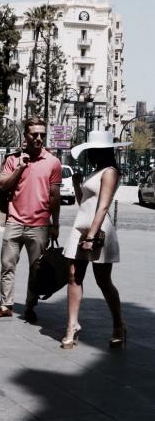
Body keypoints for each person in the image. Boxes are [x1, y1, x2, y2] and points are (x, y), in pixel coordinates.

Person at [0, 116, 62, 323]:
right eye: (34, 134)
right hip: (14, 222)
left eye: (42, 135)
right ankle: (6, 305)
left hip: (40, 226)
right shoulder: (13, 159)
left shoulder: (53, 162)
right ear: (26, 136)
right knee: (7, 265)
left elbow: (55, 196)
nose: (39, 138)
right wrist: (20, 167)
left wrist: (55, 224)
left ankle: (30, 306)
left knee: (35, 270)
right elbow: (3, 186)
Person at [60, 131, 130, 349]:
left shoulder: (110, 172)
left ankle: (119, 325)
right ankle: (72, 327)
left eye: (93, 150)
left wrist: (91, 235)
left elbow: (103, 206)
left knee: (103, 281)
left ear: (103, 151)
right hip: (81, 227)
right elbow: (84, 204)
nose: (90, 154)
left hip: (98, 231)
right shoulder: (95, 172)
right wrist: (78, 184)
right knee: (73, 276)